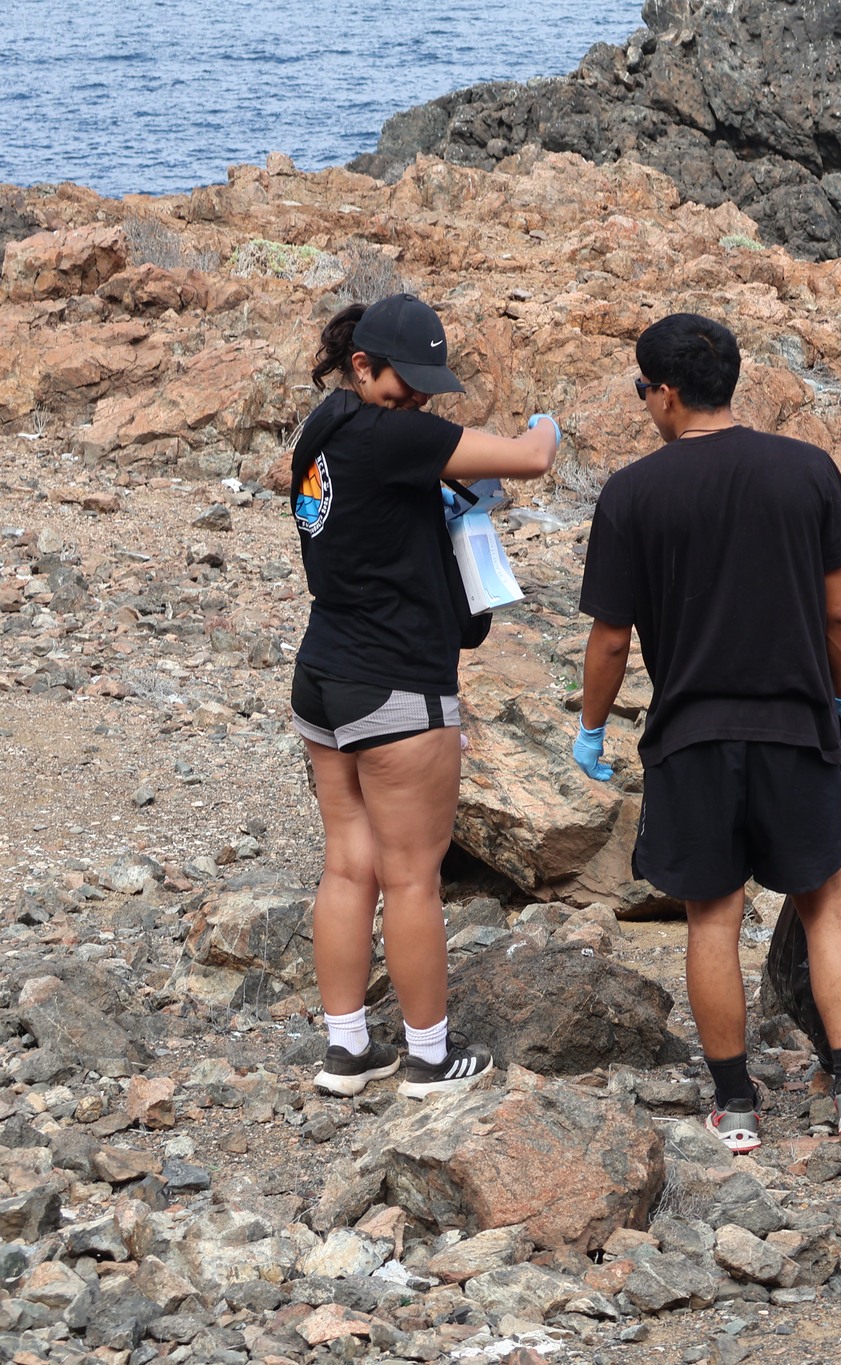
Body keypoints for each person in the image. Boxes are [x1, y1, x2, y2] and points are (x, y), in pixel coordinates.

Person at [573, 312, 841, 1153]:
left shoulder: (632, 495)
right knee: (825, 900)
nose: (644, 402)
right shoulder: (807, 472)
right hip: (796, 725)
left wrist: (592, 728)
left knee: (713, 916)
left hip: (692, 736)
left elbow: (611, 638)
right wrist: (838, 696)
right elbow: (840, 610)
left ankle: (736, 1105)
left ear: (668, 393)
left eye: (642, 389)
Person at [292, 293, 559, 1099]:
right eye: (405, 383)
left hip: (323, 674)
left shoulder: (325, 428)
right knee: (412, 877)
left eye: (426, 388)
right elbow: (531, 458)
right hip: (398, 680)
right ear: (363, 364)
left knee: (349, 865)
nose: (419, 401)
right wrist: (546, 422)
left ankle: (346, 1049)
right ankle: (430, 1057)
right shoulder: (397, 435)